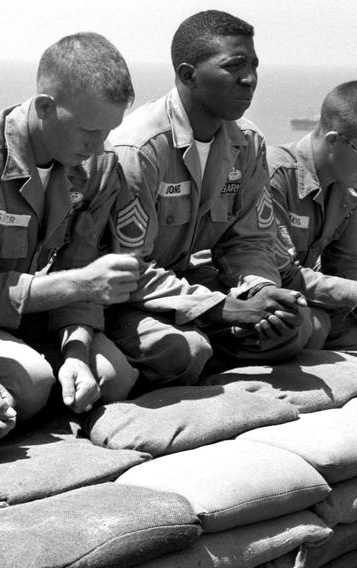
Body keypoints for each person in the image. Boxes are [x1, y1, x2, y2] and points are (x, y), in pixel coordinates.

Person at [109, 10, 308, 384]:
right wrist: (225, 309)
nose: (249, 79)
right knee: (182, 352)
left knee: (294, 328)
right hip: (132, 297)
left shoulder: (247, 142)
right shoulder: (140, 148)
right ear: (188, 75)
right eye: (234, 66)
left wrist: (260, 291)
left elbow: (249, 239)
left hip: (194, 284)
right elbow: (126, 270)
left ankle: (203, 346)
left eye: (253, 65)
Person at [0, 32, 142, 430]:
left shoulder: (97, 168)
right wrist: (78, 285)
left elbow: (80, 265)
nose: (100, 146)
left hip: (30, 314)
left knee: (113, 378)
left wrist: (76, 349)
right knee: (30, 385)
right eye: (89, 131)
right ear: (44, 106)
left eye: (109, 131)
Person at [267, 81, 357, 350]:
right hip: (261, 295)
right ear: (333, 141)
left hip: (304, 295)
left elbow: (348, 263)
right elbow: (281, 275)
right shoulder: (275, 176)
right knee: (305, 327)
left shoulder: (349, 184)